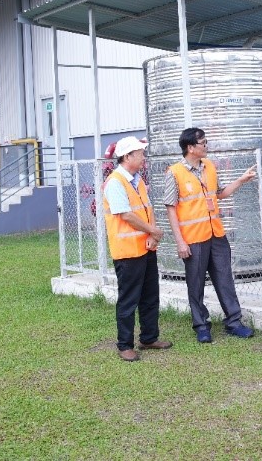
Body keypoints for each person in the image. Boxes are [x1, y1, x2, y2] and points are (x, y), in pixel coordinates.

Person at [163, 127, 258, 343]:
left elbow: (220, 194)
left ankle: (234, 322)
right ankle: (201, 326)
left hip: (216, 234)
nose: (206, 146)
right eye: (203, 143)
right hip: (193, 238)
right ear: (190, 147)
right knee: (195, 284)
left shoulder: (210, 166)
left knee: (225, 279)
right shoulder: (174, 173)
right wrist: (180, 242)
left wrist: (241, 180)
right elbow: (170, 208)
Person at [103, 135, 172, 362]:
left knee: (150, 296)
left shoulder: (137, 180)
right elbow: (125, 215)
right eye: (140, 153)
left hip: (146, 248)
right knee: (129, 299)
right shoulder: (115, 182)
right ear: (127, 156)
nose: (144, 157)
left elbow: (147, 210)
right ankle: (125, 345)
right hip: (127, 252)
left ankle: (149, 338)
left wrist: (152, 236)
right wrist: (153, 231)